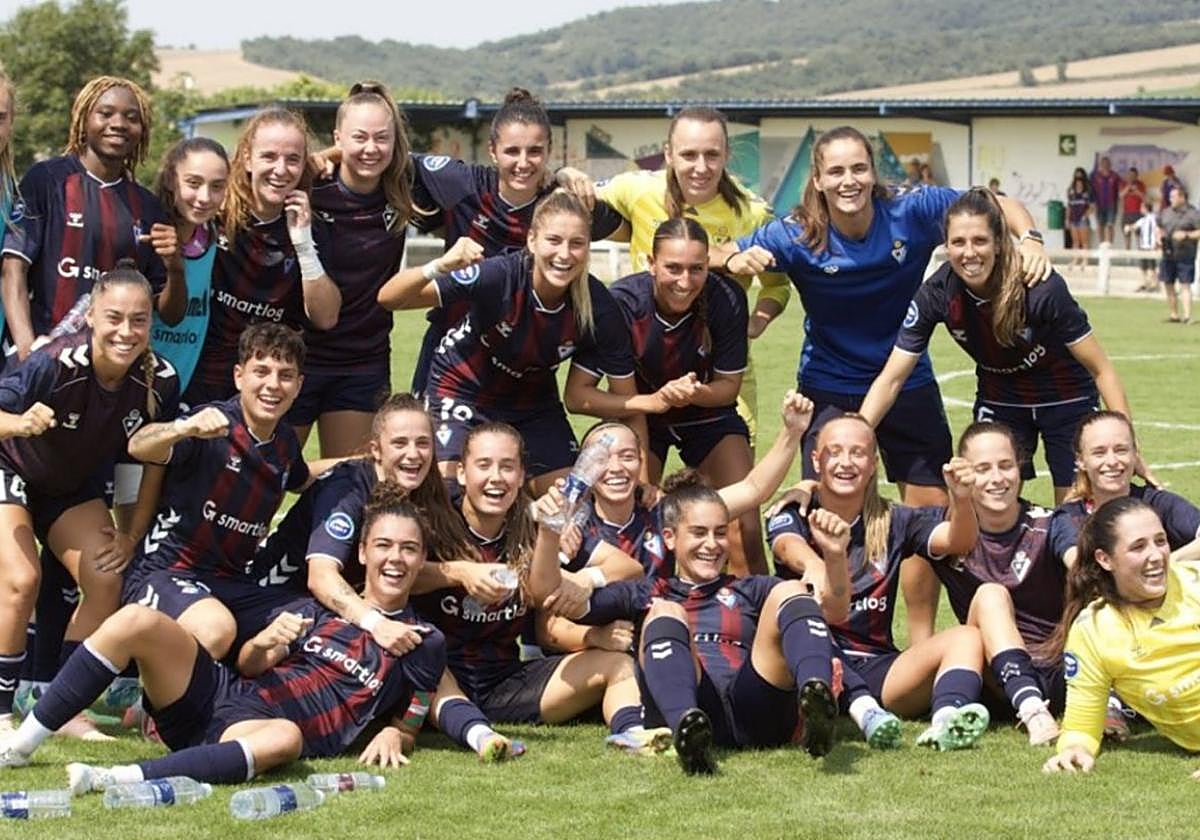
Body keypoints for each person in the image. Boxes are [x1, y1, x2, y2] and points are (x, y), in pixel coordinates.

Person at [720, 124, 1050, 645]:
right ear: (819, 179)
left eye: (858, 168)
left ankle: (918, 644)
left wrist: (1029, 237)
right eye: (836, 171)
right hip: (828, 386)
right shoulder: (796, 231)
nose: (848, 180)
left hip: (907, 379)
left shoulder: (912, 209)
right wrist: (737, 259)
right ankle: (820, 641)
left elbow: (995, 203)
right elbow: (720, 254)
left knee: (925, 515)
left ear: (873, 172)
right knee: (825, 514)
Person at [0, 485, 447, 785]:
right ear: (363, 552)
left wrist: (398, 734)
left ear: (422, 556)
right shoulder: (321, 608)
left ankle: (112, 778)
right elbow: (249, 664)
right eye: (384, 546)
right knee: (137, 620)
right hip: (220, 694)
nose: (396, 559)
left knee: (285, 739)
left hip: (256, 729)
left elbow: (416, 710)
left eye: (409, 549)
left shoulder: (424, 639)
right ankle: (22, 745)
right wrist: (267, 641)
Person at [528, 443, 842, 775]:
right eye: (698, 533)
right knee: (665, 611)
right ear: (670, 538)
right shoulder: (647, 591)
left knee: (790, 590)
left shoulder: (749, 588)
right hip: (692, 703)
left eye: (720, 533)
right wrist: (550, 532)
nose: (712, 544)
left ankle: (816, 701)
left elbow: (833, 610)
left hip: (754, 704)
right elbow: (548, 594)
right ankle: (687, 731)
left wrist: (831, 559)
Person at [859, 188, 1135, 504]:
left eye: (980, 241)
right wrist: (857, 432)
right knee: (984, 502)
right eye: (958, 243)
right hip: (1001, 397)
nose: (969, 253)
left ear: (999, 243)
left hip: (1066, 397)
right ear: (946, 246)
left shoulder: (1040, 287)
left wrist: (1129, 443)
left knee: (1074, 510)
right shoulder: (937, 293)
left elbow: (1101, 370)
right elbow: (892, 378)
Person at [557, 106, 792, 465]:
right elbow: (575, 201)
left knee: (734, 507)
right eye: (688, 154)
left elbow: (777, 285)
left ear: (727, 155)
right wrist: (567, 173)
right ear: (668, 154)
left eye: (712, 154)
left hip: (716, 374)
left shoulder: (752, 213)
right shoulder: (636, 188)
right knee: (633, 497)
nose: (701, 167)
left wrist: (756, 321)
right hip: (639, 376)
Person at [0, 263, 179, 733]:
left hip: (68, 487)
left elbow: (143, 465)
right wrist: (20, 424)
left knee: (106, 577)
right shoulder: (53, 363)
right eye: (114, 317)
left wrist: (129, 535)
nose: (126, 331)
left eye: (139, 320)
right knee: (22, 579)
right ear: (91, 318)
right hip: (11, 469)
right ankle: (0, 712)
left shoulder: (159, 380)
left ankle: (58, 704)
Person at [379, 190, 643, 493]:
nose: (565, 254)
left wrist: (646, 484)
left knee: (569, 501)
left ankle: (522, 532)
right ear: (532, 240)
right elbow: (389, 298)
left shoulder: (600, 308)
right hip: (463, 388)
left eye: (577, 244)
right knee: (449, 493)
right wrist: (438, 266)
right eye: (554, 240)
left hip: (532, 404)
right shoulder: (500, 275)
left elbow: (627, 403)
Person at [410, 423, 643, 760]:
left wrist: (582, 574)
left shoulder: (531, 521)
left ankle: (634, 735)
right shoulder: (434, 520)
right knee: (426, 657)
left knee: (617, 664)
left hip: (505, 680)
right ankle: (481, 737)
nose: (496, 478)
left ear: (521, 476)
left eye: (507, 467)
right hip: (438, 677)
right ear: (461, 472)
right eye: (484, 465)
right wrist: (459, 573)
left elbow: (628, 568)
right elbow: (397, 575)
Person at [765, 414, 992, 751]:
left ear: (873, 464)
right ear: (816, 459)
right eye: (834, 451)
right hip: (813, 662)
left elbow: (958, 542)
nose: (846, 462)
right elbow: (785, 544)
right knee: (802, 611)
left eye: (857, 453)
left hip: (878, 667)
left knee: (967, 637)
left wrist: (961, 499)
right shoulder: (794, 510)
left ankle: (947, 720)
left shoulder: (894, 518)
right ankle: (863, 711)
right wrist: (814, 563)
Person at [391, 88, 622, 397]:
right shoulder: (461, 183)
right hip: (451, 358)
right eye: (512, 151)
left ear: (550, 151)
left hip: (523, 366)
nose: (523, 162)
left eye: (535, 151)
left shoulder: (564, 204)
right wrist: (324, 159)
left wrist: (570, 176)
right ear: (492, 150)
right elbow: (382, 154)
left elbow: (634, 227)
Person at [121, 323, 314, 661]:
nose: (273, 385)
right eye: (262, 371)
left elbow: (305, 477)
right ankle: (148, 704)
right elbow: (139, 446)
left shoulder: (283, 443)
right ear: (239, 376)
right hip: (165, 572)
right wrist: (183, 428)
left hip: (230, 582)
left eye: (285, 375)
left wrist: (369, 462)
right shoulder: (211, 424)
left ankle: (237, 701)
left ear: (298, 386)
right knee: (215, 629)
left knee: (306, 618)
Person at [251, 393, 488, 657]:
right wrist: (377, 625)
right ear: (376, 450)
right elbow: (321, 577)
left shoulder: (425, 490)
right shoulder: (348, 490)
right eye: (400, 443)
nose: (413, 454)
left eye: (423, 443)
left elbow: (402, 569)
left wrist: (465, 570)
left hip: (326, 606)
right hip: (277, 601)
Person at [609, 218, 770, 574]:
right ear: (651, 264)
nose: (684, 281)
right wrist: (645, 482)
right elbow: (623, 397)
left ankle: (756, 624)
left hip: (706, 409)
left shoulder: (726, 297)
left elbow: (728, 388)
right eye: (673, 268)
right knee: (641, 530)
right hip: (642, 412)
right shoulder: (622, 303)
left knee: (744, 529)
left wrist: (691, 392)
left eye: (696, 269)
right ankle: (655, 622)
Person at [1, 76, 181, 366]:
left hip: (104, 375)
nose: (119, 123)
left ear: (142, 130)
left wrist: (176, 269)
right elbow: (13, 271)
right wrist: (26, 351)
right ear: (84, 119)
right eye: (106, 113)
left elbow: (170, 315)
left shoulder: (148, 207)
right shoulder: (47, 180)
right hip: (38, 358)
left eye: (131, 117)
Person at [291, 82, 422, 457]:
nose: (370, 148)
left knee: (349, 482)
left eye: (382, 138)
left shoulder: (405, 187)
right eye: (358, 137)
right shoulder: (310, 185)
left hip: (361, 363)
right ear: (337, 137)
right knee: (266, 479)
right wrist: (318, 158)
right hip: (298, 355)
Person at [560, 392, 817, 581]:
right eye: (600, 459)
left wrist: (792, 432)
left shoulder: (665, 512)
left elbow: (753, 489)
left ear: (641, 462)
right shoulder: (568, 522)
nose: (615, 467)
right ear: (583, 467)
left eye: (627, 456)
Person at [187, 108, 340, 405]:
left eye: (292, 159)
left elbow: (326, 317)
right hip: (197, 373)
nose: (281, 170)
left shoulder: (311, 227)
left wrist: (304, 244)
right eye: (269, 156)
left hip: (261, 385)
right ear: (247, 158)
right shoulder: (214, 213)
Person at [1042, 497, 1200, 777]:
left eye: (1160, 541)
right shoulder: (1093, 631)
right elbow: (1081, 725)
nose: (1156, 555)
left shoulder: (1194, 583)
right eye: (1138, 547)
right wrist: (1075, 749)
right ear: (1105, 559)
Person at [935, 422, 1066, 744]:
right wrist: (808, 487)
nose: (997, 478)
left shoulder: (1051, 524)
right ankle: (1032, 711)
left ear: (1020, 468)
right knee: (991, 595)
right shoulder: (943, 535)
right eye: (983, 469)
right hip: (994, 681)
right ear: (963, 473)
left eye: (1005, 466)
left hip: (1059, 672)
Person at [1049, 411, 1198, 568]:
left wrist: (1167, 563)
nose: (1112, 461)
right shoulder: (1069, 517)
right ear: (1081, 461)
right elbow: (1081, 568)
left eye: (1121, 450)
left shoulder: (1159, 503)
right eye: (1099, 453)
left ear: (1135, 454)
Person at [1155, 185, 1199, 324]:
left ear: (1182, 197)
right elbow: (1159, 227)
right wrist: (1158, 237)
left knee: (1185, 284)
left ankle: (1187, 315)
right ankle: (1174, 314)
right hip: (1168, 253)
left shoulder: (1193, 213)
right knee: (1168, 284)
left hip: (1185, 254)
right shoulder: (1166, 212)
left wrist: (1186, 235)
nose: (1170, 199)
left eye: (1173, 197)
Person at [1124, 199, 1159, 292]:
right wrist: (1128, 228)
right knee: (1143, 266)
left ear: (1145, 208)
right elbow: (1134, 226)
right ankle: (1145, 283)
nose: (1140, 209)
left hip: (1150, 246)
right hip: (1143, 246)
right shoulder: (1143, 219)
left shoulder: (1153, 218)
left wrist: (1156, 243)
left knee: (1151, 266)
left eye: (1142, 207)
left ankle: (1153, 284)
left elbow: (1156, 230)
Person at [1066, 168, 1093, 272]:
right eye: (1077, 181)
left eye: (1080, 181)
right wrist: (1067, 219)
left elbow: (1092, 207)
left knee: (1084, 242)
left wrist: (1085, 216)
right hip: (1073, 219)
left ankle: (1085, 260)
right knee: (1075, 242)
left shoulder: (1087, 192)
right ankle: (1075, 259)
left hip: (1082, 220)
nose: (1079, 183)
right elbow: (1069, 206)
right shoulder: (1071, 192)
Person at [1090, 157, 1120, 244]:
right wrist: (1092, 203)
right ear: (1100, 165)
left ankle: (1109, 245)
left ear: (1110, 165)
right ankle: (1102, 245)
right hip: (1098, 205)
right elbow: (1091, 190)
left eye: (1107, 163)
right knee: (1100, 225)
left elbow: (1120, 189)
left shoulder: (1115, 176)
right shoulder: (1095, 176)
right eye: (1103, 163)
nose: (1105, 165)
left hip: (1111, 205)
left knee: (1110, 225)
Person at [1119, 166, 1146, 250]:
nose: (1132, 177)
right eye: (1130, 175)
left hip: (1138, 213)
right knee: (1127, 237)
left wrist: (1136, 190)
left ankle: (1141, 259)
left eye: (1134, 175)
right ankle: (1128, 259)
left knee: (1139, 237)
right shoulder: (1123, 184)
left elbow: (1144, 197)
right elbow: (1120, 196)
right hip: (1127, 214)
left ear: (1137, 176)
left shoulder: (1141, 184)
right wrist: (1128, 187)